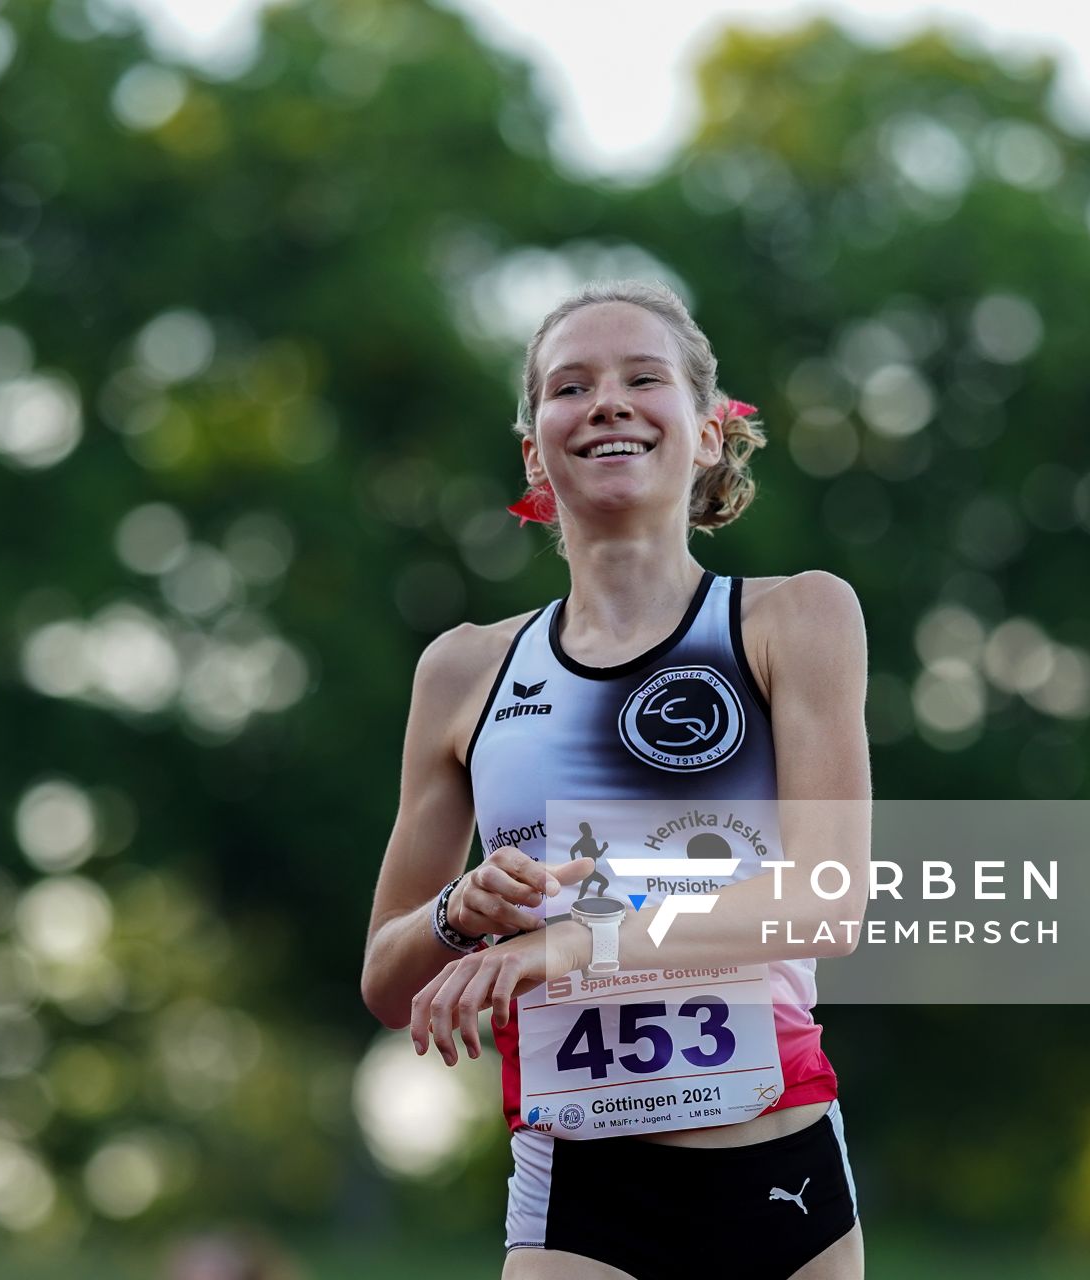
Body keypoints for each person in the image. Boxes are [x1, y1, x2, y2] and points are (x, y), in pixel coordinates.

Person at [361, 279, 871, 1279]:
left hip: (779, 1172)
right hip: (581, 1193)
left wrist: (573, 942)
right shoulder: (464, 669)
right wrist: (461, 911)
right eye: (569, 385)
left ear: (712, 433)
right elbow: (387, 979)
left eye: (645, 377)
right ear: (532, 453)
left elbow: (827, 901)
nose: (606, 400)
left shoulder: (795, 619)